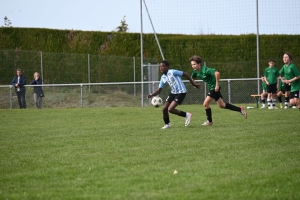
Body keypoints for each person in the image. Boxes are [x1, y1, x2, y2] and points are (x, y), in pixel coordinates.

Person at [189, 55, 247, 126]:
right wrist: (194, 84)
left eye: (194, 64)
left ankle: (209, 121)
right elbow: (192, 78)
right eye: (192, 65)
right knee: (222, 105)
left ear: (199, 64)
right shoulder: (195, 71)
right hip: (212, 88)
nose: (193, 66)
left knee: (205, 104)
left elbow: (217, 73)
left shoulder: (205, 70)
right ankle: (240, 109)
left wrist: (216, 85)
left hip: (214, 88)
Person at [147, 60, 200, 129]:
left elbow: (185, 74)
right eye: (160, 66)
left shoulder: (172, 72)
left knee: (170, 109)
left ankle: (187, 115)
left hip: (181, 92)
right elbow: (159, 90)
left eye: (163, 66)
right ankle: (167, 124)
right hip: (173, 92)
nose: (161, 68)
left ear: (167, 67)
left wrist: (194, 84)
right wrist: (151, 94)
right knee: (164, 109)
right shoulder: (163, 77)